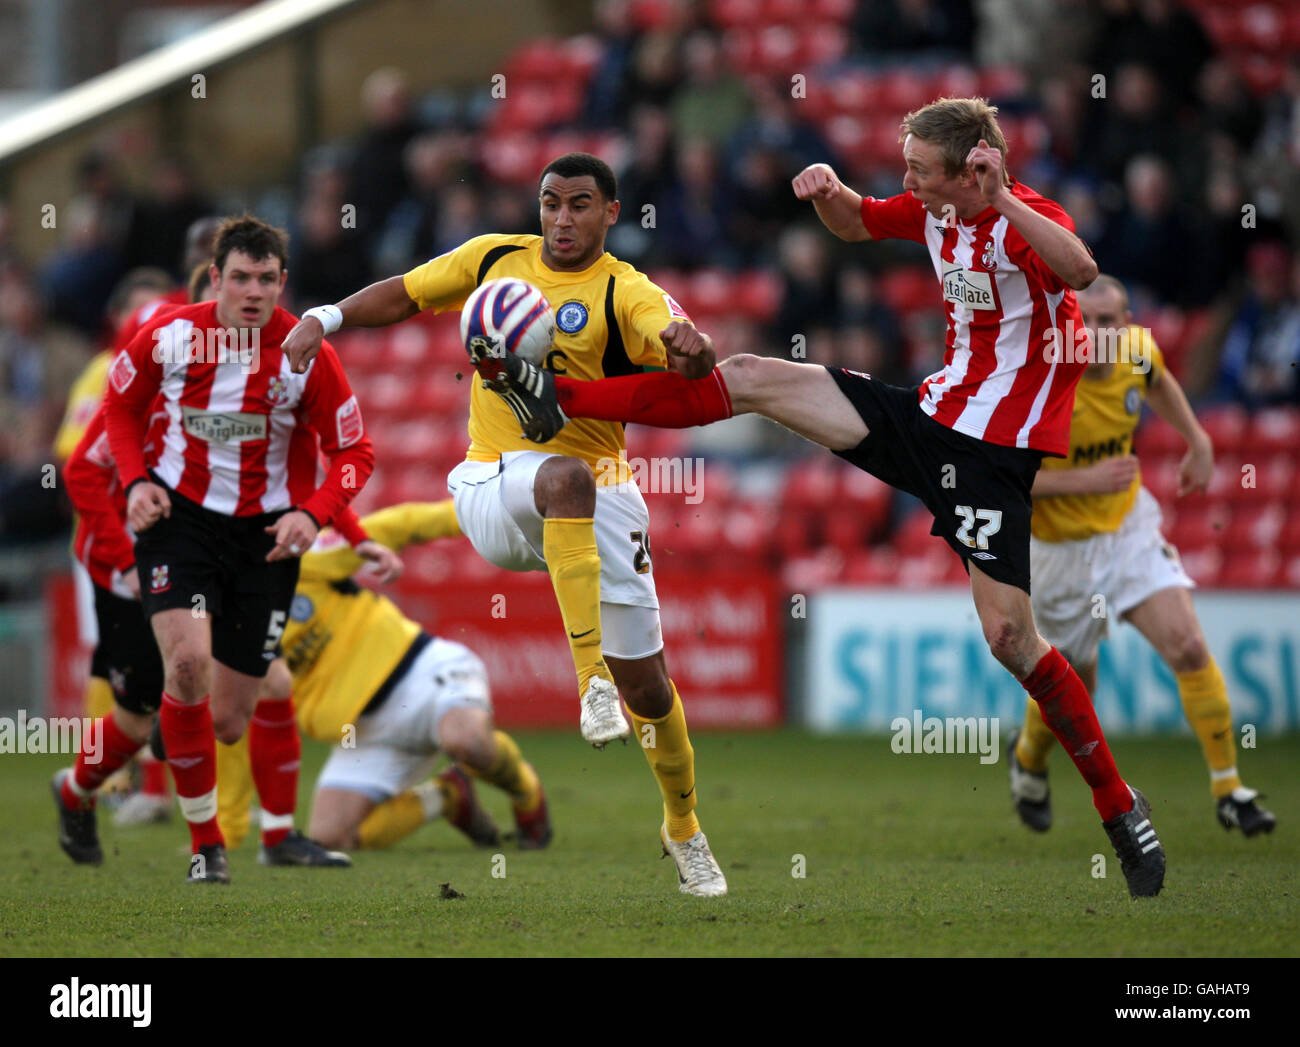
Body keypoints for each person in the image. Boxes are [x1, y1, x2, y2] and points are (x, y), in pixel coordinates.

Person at [478, 100, 1168, 898]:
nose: (906, 179)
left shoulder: (1021, 217)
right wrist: (830, 190)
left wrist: (1005, 193)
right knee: (750, 376)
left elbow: (1081, 270)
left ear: (972, 168)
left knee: (1012, 638)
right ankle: (558, 396)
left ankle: (1120, 806)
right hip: (929, 417)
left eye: (919, 168)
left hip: (992, 459)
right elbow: (858, 223)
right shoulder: (933, 207)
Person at [282, 153, 727, 897]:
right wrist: (325, 317)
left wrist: (695, 351)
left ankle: (683, 825)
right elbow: (407, 293)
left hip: (603, 495)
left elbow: (687, 353)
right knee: (564, 475)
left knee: (648, 685)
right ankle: (590, 686)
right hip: (492, 477)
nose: (561, 219)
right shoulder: (495, 258)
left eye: (580, 205)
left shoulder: (628, 291)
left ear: (611, 213)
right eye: (551, 203)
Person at [98, 215, 375, 883]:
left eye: (267, 280)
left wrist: (315, 515)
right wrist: (135, 480)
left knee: (226, 721)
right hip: (178, 518)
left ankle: (183, 737)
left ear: (283, 283)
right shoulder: (169, 336)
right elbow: (119, 407)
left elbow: (353, 451)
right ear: (215, 278)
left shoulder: (308, 353)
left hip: (265, 537)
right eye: (240, 278)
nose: (254, 292)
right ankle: (206, 845)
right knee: (187, 665)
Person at [1008, 275, 1276, 837]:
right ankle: (1029, 758)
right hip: (1059, 553)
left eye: (1113, 321)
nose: (1102, 333)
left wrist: (1198, 440)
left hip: (1127, 529)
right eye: (1090, 321)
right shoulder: (1044, 380)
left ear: (1127, 323)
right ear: (1070, 323)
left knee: (1188, 644)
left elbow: (1160, 383)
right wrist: (1087, 478)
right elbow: (1008, 480)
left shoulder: (1137, 351)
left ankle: (1230, 789)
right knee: (1076, 686)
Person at [211, 500, 552, 854]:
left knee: (466, 742)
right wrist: (229, 830)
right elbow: (231, 729)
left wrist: (480, 513)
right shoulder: (219, 634)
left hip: (421, 674)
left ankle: (525, 791)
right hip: (362, 733)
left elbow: (393, 526)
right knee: (329, 839)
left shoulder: (296, 563)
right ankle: (447, 796)